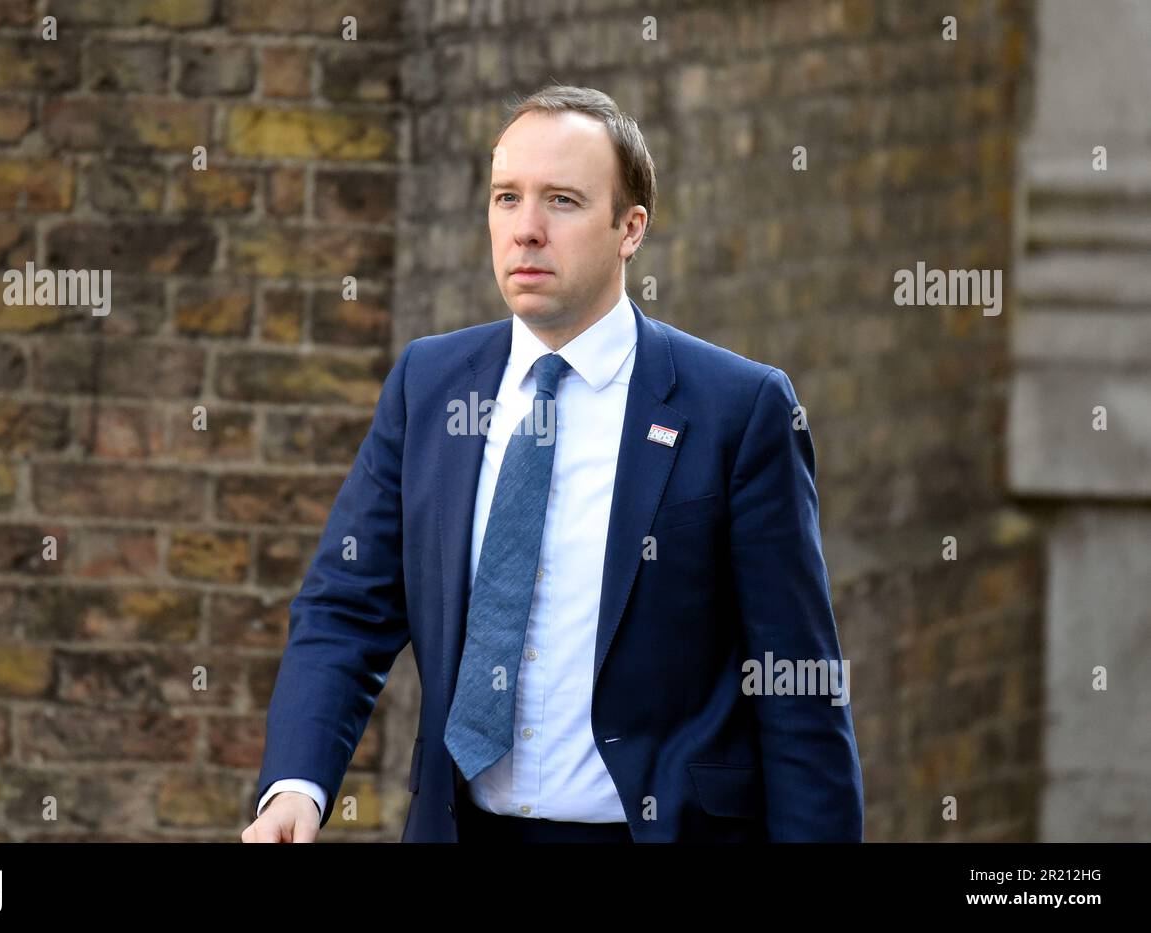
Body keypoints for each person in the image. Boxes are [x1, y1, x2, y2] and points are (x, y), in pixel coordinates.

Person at [242, 85, 863, 844]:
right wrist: (297, 786)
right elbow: (346, 606)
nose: (526, 230)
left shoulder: (739, 409)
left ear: (630, 228)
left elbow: (798, 687)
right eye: (507, 198)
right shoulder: (429, 383)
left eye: (562, 201)